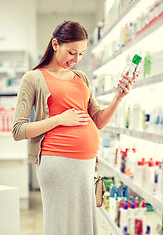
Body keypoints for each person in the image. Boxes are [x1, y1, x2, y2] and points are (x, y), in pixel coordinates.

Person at [12, 20, 136, 235]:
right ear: (55, 44)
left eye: (81, 54)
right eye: (71, 52)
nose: (76, 59)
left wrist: (118, 98)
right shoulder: (33, 78)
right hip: (57, 161)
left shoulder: (81, 78)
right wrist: (59, 119)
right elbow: (18, 130)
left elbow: (98, 120)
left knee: (84, 225)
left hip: (86, 163)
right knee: (63, 226)